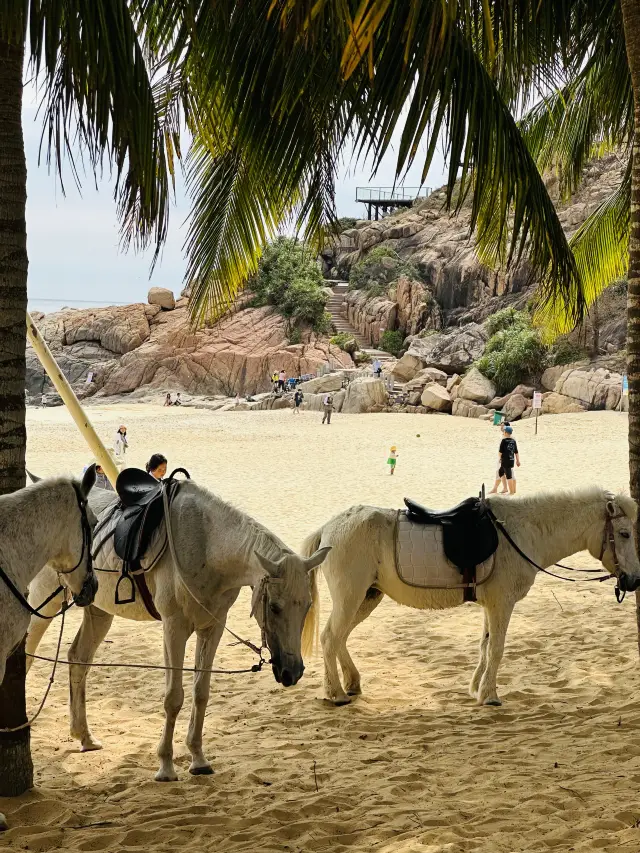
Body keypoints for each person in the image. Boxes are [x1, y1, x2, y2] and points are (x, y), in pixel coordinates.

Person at [492, 425, 520, 496]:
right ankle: (507, 489)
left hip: (505, 461)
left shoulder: (503, 441)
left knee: (509, 476)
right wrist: (518, 460)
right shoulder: (513, 441)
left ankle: (511, 492)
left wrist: (500, 458)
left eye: (504, 431)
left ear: (506, 432)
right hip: (511, 460)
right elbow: (516, 452)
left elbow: (500, 452)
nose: (503, 432)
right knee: (501, 472)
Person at [489, 420, 512, 494]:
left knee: (501, 472)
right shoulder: (503, 435)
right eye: (501, 425)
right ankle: (497, 488)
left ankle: (504, 489)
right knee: (500, 473)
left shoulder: (507, 437)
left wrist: (502, 458)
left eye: (503, 425)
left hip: (504, 458)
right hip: (503, 458)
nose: (501, 427)